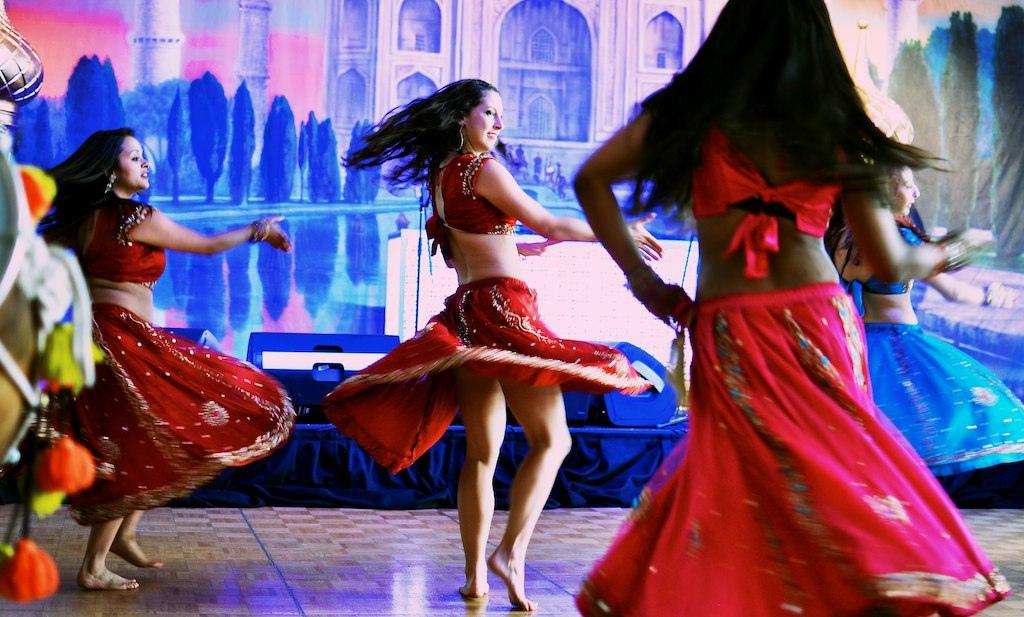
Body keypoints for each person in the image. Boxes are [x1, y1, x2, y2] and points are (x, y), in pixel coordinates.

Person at [570, 0, 1009, 614]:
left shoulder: (692, 117)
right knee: (835, 466)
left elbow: (590, 179)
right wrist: (955, 248)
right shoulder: (835, 125)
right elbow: (892, 263)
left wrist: (645, 281)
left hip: (733, 324)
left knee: (740, 476)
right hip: (816, 320)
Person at [321, 78, 659, 611]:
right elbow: (550, 219)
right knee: (553, 442)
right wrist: (623, 232)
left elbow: (467, 250)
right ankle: (512, 554)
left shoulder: (442, 178)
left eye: (501, 114)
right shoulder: (484, 168)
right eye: (490, 113)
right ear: (462, 118)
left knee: (482, 453)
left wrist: (516, 245)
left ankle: (476, 575)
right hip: (505, 310)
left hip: (467, 314)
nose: (500, 124)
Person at [40, 128, 296, 592]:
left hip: (98, 336)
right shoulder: (135, 216)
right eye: (135, 157)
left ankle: (127, 534)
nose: (145, 165)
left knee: (147, 429)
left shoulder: (79, 222)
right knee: (142, 435)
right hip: (123, 338)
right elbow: (207, 246)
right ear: (108, 168)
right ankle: (94, 566)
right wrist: (258, 229)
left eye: (145, 157)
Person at [827, 167, 1024, 477]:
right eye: (907, 185)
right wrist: (989, 295)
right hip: (900, 346)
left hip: (855, 346)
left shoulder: (840, 237)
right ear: (885, 191)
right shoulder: (899, 240)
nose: (916, 192)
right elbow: (956, 291)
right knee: (976, 416)